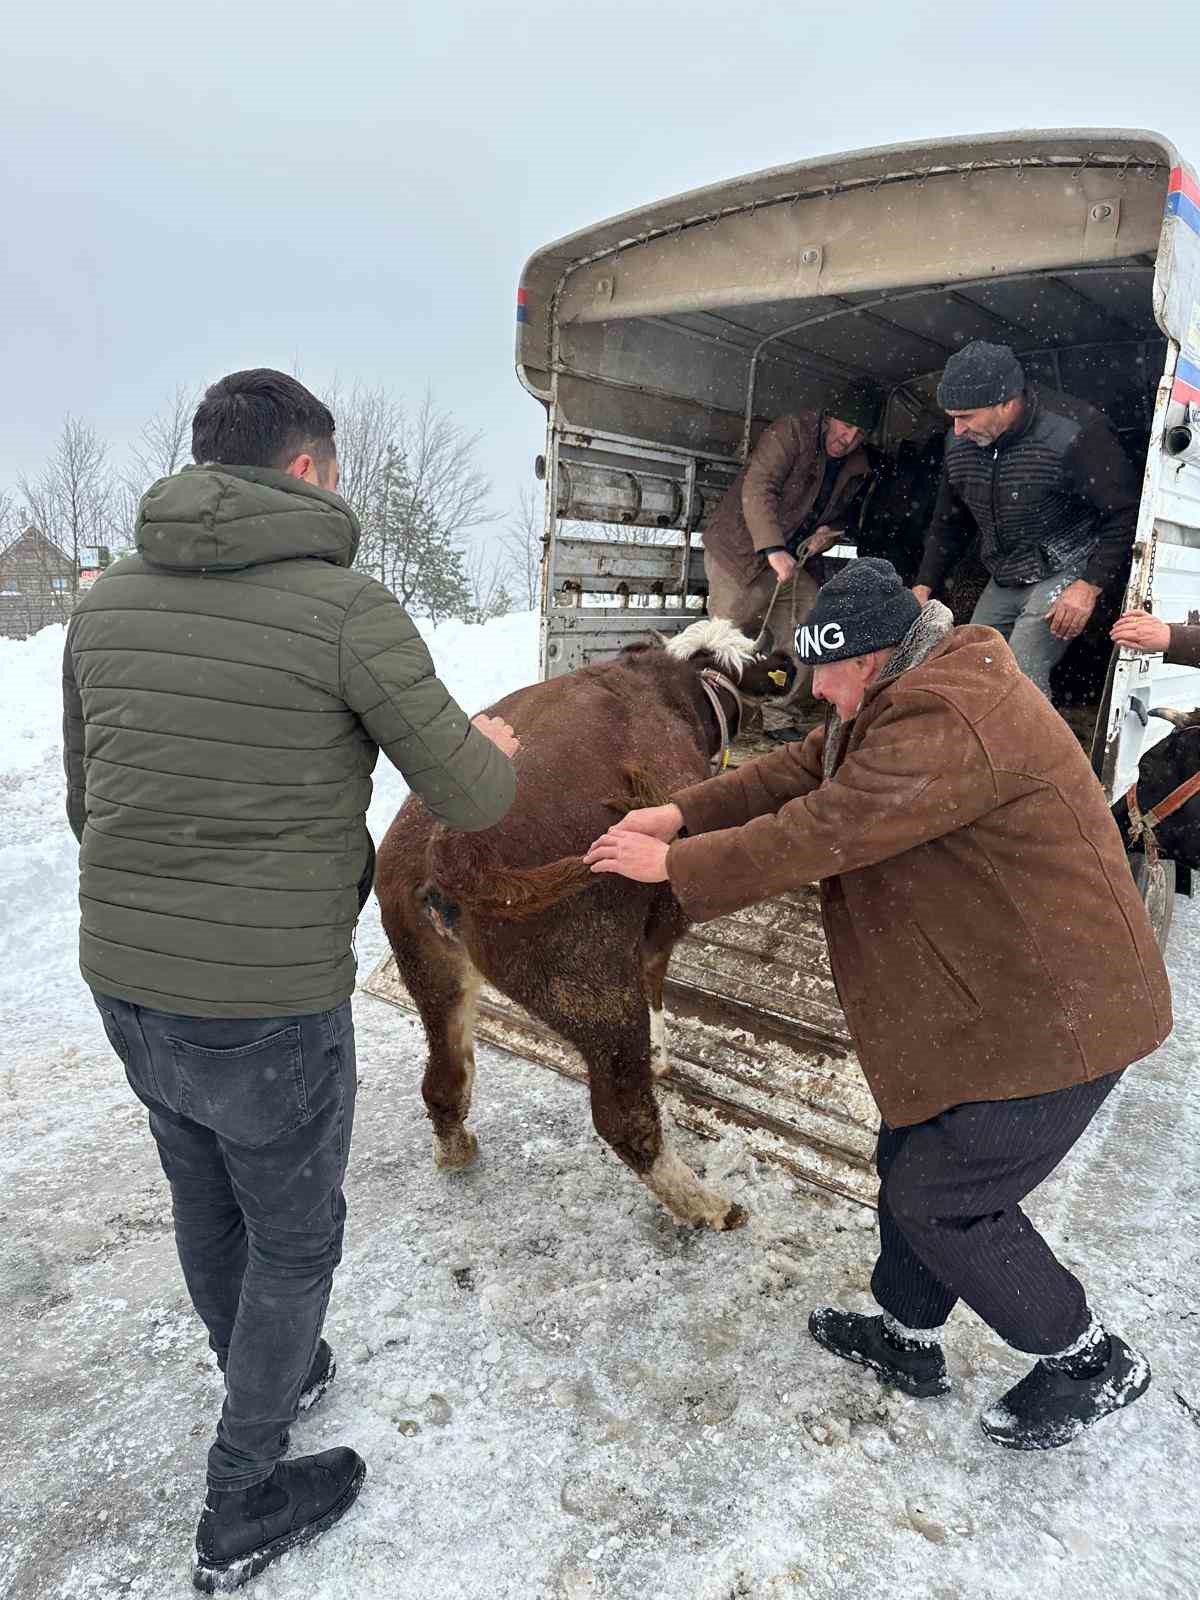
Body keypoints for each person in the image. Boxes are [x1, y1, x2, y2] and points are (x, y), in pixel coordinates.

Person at [62, 370, 519, 1591]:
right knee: (296, 1238)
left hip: (126, 981)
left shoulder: (108, 606)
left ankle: (269, 1365)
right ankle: (243, 1493)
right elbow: (473, 794)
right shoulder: (345, 608)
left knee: (205, 1195)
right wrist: (489, 744)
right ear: (308, 468)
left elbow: (86, 805)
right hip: (266, 1001)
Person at [586, 557, 1171, 1450]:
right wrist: (681, 813)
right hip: (999, 991)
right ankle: (908, 1337)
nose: (817, 692)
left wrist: (675, 865)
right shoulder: (901, 687)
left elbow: (825, 826)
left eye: (827, 673)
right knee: (909, 1152)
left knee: (942, 1196)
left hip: (1066, 1013)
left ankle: (1088, 1360)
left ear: (871, 657)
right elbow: (801, 769)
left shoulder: (950, 718)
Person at [913, 341, 1141, 698]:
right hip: (1006, 571)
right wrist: (924, 584)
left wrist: (1089, 585)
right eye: (951, 417)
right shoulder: (958, 445)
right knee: (972, 665)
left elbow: (1125, 512)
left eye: (966, 416)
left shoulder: (1075, 431)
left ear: (1006, 402)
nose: (956, 429)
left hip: (1067, 565)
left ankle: (1028, 733)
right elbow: (947, 522)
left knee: (1020, 675)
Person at [701, 386, 878, 737]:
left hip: (792, 564)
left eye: (859, 434)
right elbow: (758, 487)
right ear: (829, 418)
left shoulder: (857, 466)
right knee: (728, 637)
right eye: (845, 426)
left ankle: (781, 713)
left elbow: (843, 517)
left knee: (809, 626)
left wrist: (828, 534)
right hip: (740, 553)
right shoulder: (791, 432)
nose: (848, 439)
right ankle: (716, 716)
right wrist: (773, 548)